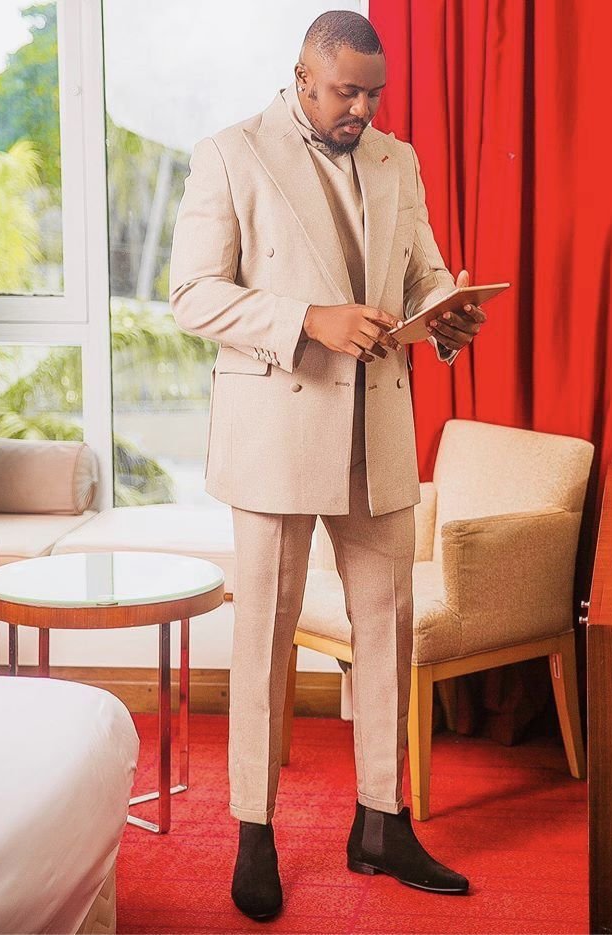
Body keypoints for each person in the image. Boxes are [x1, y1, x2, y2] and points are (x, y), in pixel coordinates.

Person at [170, 10, 486, 921]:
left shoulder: (399, 159)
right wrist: (307, 319)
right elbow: (191, 293)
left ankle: (382, 822)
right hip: (277, 431)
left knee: (387, 627)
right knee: (264, 637)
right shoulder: (230, 153)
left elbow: (424, 273)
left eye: (374, 92)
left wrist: (448, 312)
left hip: (377, 428)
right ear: (303, 76)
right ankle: (254, 830)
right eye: (348, 90)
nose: (364, 107)